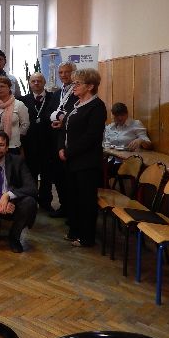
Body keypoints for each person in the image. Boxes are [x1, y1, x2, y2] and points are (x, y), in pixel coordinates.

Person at [59, 68, 107, 248]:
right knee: (73, 197)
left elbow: (91, 136)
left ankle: (86, 237)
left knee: (86, 201)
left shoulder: (97, 107)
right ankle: (75, 231)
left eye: (78, 83)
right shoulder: (76, 104)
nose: (74, 86)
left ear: (90, 86)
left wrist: (68, 151)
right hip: (72, 161)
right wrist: (61, 147)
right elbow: (64, 128)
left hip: (86, 162)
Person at [48, 61, 78, 218]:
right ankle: (63, 206)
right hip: (56, 139)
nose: (64, 75)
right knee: (58, 176)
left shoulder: (78, 92)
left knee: (70, 178)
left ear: (74, 73)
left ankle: (73, 210)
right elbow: (50, 111)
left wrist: (64, 122)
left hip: (71, 141)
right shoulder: (56, 93)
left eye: (67, 72)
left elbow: (77, 115)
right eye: (61, 72)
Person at [21, 72, 55, 211]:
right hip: (30, 145)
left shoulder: (53, 98)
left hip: (49, 144)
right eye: (33, 81)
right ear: (29, 83)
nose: (36, 83)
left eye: (39, 81)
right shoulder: (23, 100)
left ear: (44, 82)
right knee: (31, 176)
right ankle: (32, 203)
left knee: (47, 176)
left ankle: (46, 203)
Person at [0, 76, 29, 154]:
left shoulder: (19, 104)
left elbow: (25, 124)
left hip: (12, 144)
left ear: (9, 88)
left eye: (2, 86)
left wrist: (17, 135)